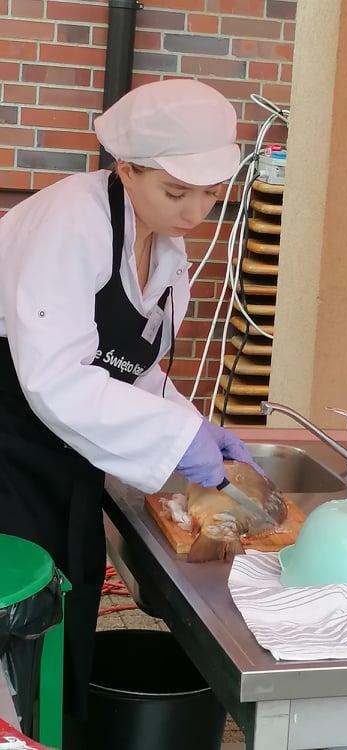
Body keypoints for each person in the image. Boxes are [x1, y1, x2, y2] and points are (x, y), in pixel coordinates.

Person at [0, 78, 260, 718]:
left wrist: (190, 422)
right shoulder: (71, 222)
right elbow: (55, 377)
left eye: (210, 193)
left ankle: (56, 728)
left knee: (71, 594)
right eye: (176, 191)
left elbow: (130, 367)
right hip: (8, 443)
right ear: (127, 169)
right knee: (17, 614)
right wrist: (176, 440)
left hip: (65, 453)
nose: (195, 212)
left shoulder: (163, 247)